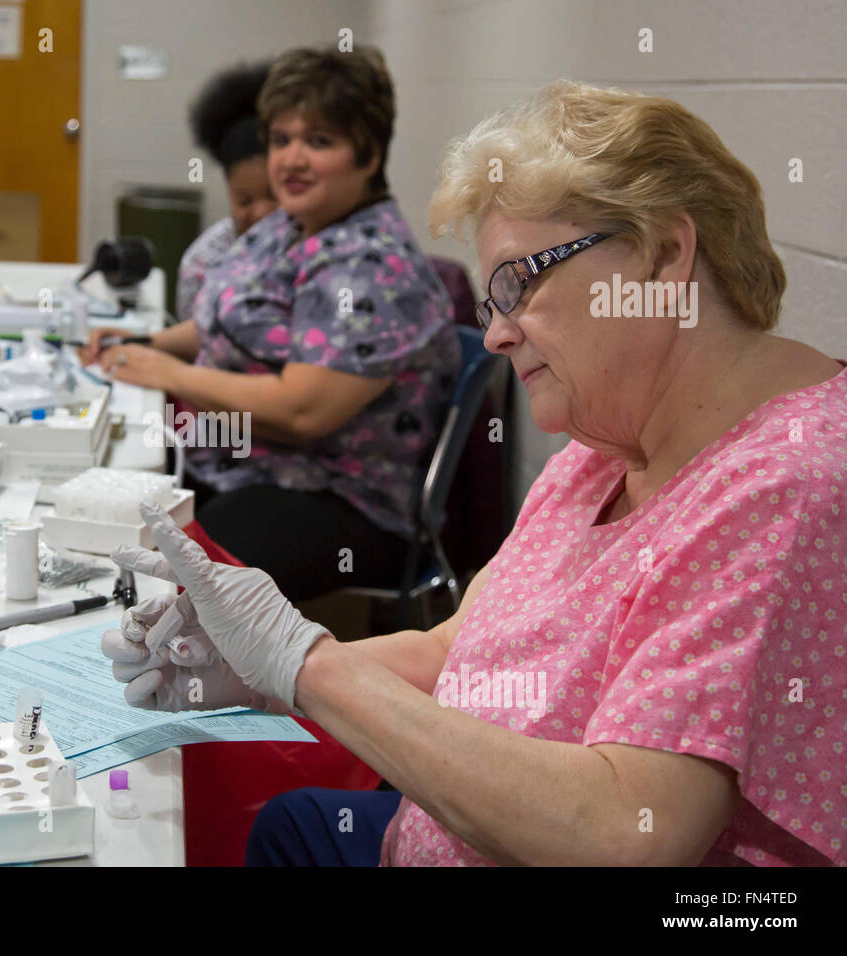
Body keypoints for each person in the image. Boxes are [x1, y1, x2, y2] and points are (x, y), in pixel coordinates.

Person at [102, 80, 847, 866]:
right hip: (432, 833)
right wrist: (257, 674)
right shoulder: (608, 444)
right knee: (286, 825)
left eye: (517, 285)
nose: (493, 335)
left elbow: (628, 832)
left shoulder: (789, 488)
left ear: (664, 256)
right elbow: (465, 646)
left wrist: (308, 666)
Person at [82, 47, 460, 602]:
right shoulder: (292, 223)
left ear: (369, 152)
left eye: (319, 141)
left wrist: (167, 372)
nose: (292, 159)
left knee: (158, 587)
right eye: (281, 140)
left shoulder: (371, 265)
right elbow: (228, 318)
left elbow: (303, 410)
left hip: (341, 499)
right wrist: (144, 343)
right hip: (250, 464)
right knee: (110, 529)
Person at [174, 60, 278, 323]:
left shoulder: (319, 248)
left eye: (275, 196)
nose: (262, 212)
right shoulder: (204, 263)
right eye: (244, 200)